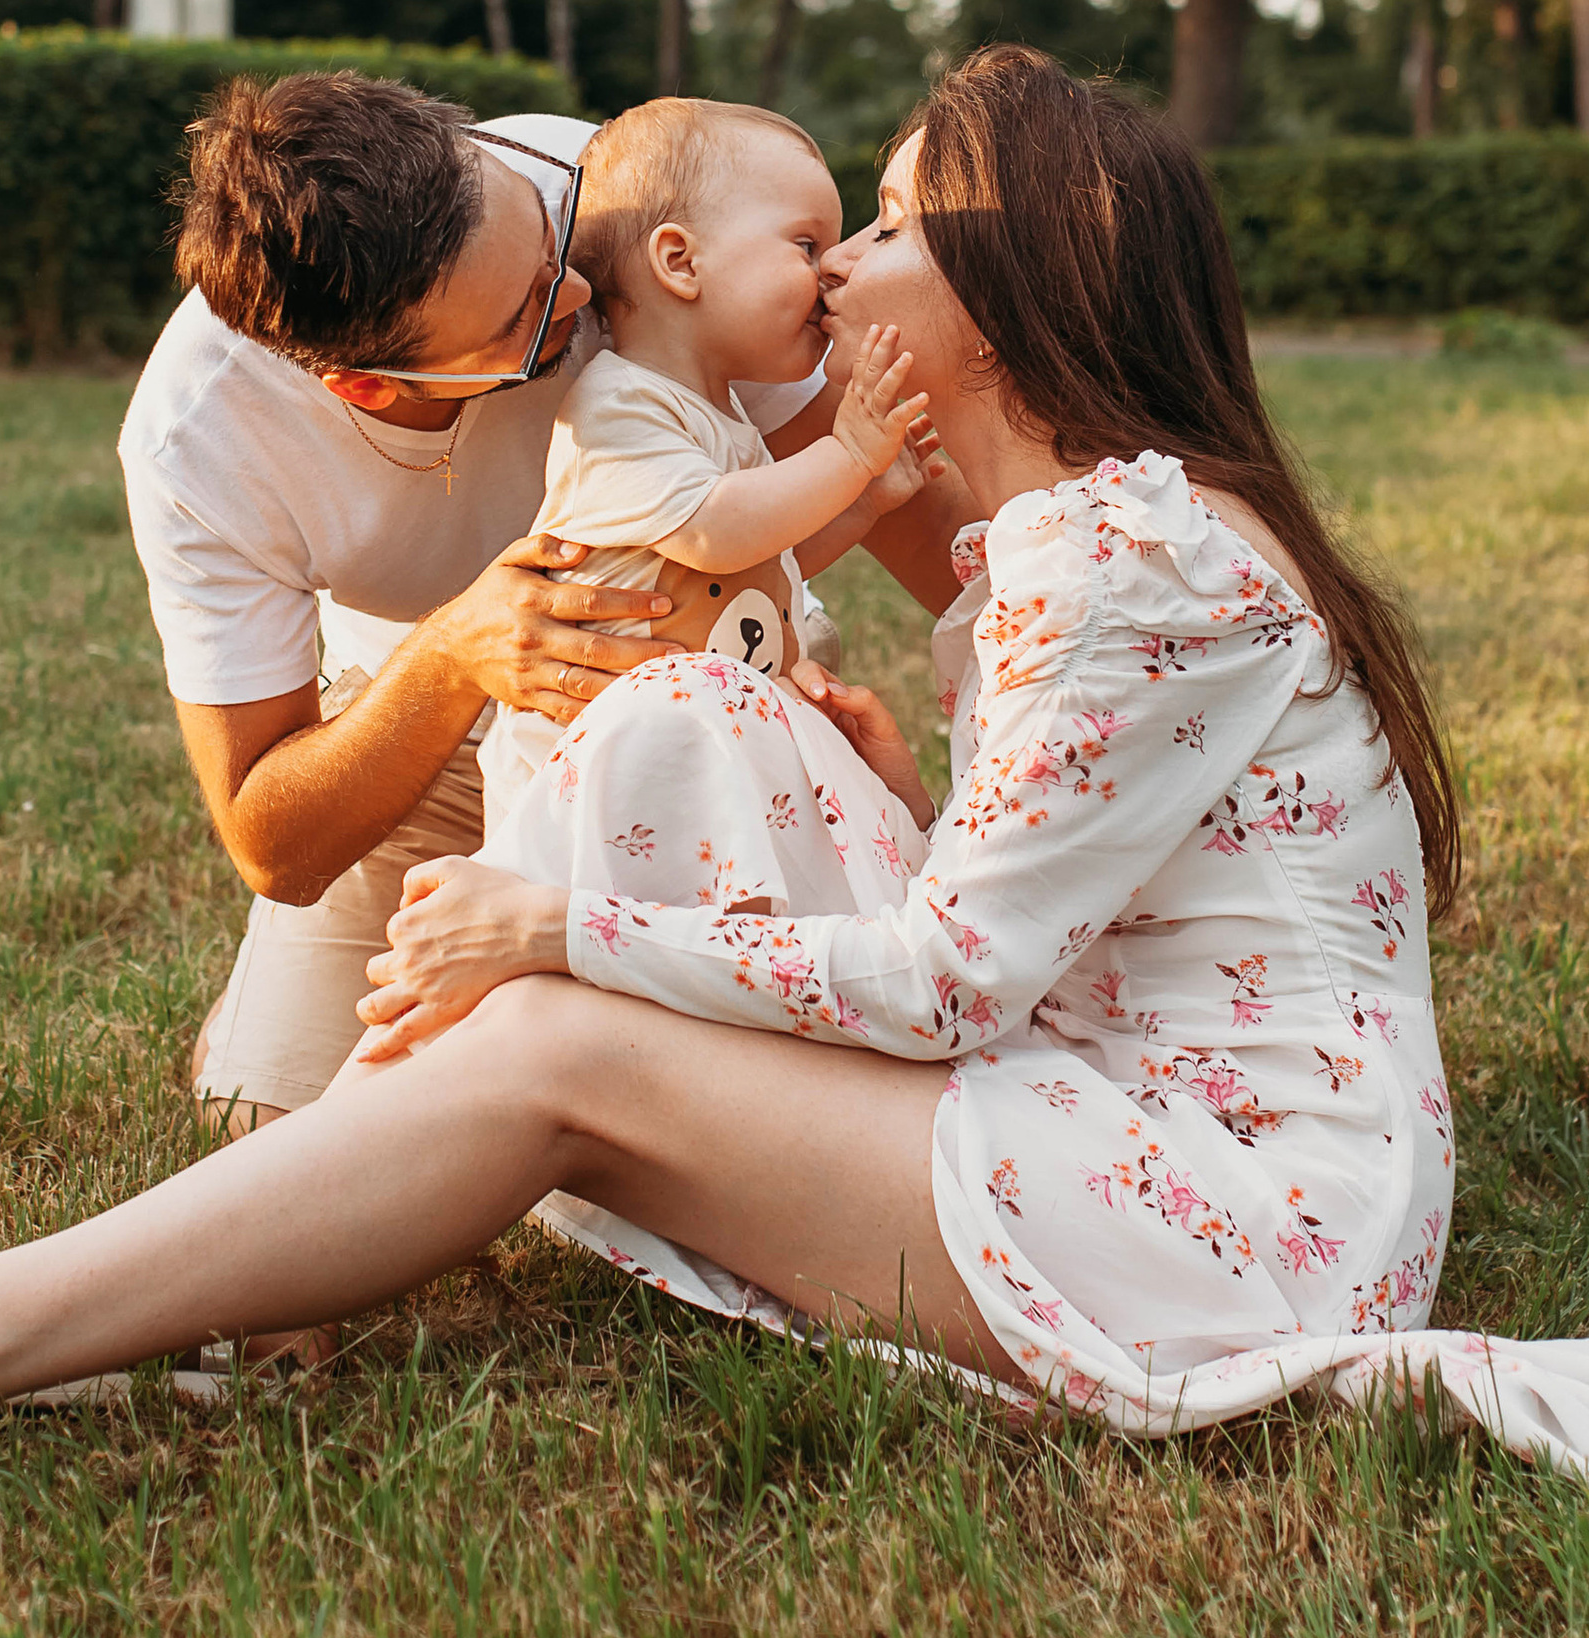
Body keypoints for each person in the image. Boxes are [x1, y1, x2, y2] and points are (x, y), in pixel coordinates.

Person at [0, 49, 1589, 1550]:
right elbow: (282, 825)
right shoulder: (1092, 539)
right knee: (660, 759)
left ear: (984, 308)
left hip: (1235, 1221)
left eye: (878, 224)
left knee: (551, 1042)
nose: (830, 271)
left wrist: (558, 930)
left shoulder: (1111, 556)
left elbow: (957, 972)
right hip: (1070, 1078)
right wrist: (816, 745)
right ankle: (187, 1284)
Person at [115, 70, 957, 1129]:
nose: (581, 298)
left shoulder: (613, 196)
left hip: (683, 727)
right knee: (275, 1122)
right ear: (369, 386)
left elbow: (902, 508)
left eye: (553, 252)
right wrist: (453, 653)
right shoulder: (204, 437)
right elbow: (271, 842)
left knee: (765, 1068)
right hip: (425, 733)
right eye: (524, 317)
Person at [475, 96, 939, 836]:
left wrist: (866, 505)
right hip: (584, 785)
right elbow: (712, 536)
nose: (829, 274)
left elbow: (762, 559)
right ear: (681, 262)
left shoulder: (721, 419)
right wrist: (847, 455)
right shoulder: (617, 409)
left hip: (677, 772)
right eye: (805, 245)